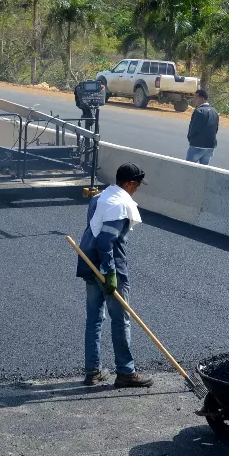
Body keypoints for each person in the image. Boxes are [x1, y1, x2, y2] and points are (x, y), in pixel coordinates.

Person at [76, 163, 154, 389]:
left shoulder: (99, 198)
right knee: (121, 321)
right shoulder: (119, 205)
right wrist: (109, 272)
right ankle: (126, 372)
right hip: (112, 271)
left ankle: (92, 372)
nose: (137, 190)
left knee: (94, 319)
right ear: (129, 183)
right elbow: (105, 241)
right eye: (137, 186)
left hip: (90, 264)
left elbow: (94, 232)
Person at [185, 89, 219, 165]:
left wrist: (191, 139)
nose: (194, 100)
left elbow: (193, 128)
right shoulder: (215, 112)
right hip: (210, 146)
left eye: (196, 98)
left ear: (202, 98)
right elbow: (215, 129)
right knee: (204, 170)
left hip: (197, 146)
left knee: (188, 169)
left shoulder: (199, 111)